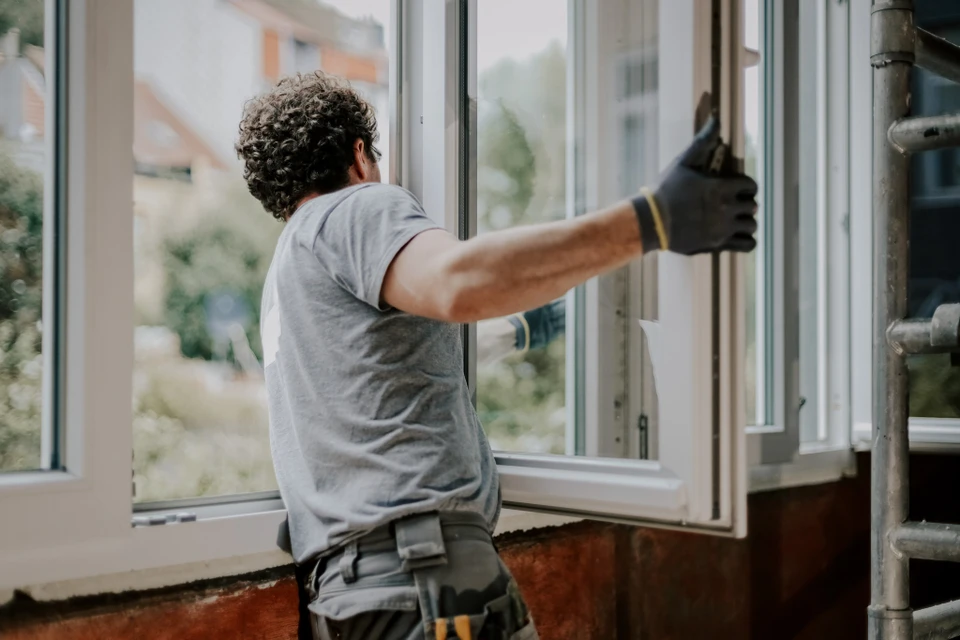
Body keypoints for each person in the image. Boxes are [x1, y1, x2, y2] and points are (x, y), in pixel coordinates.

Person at [235, 72, 757, 640]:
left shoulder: (287, 278)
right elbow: (457, 284)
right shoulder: (355, 209)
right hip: (422, 582)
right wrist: (653, 220)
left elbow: (400, 364)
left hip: (351, 598)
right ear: (359, 155)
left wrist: (543, 319)